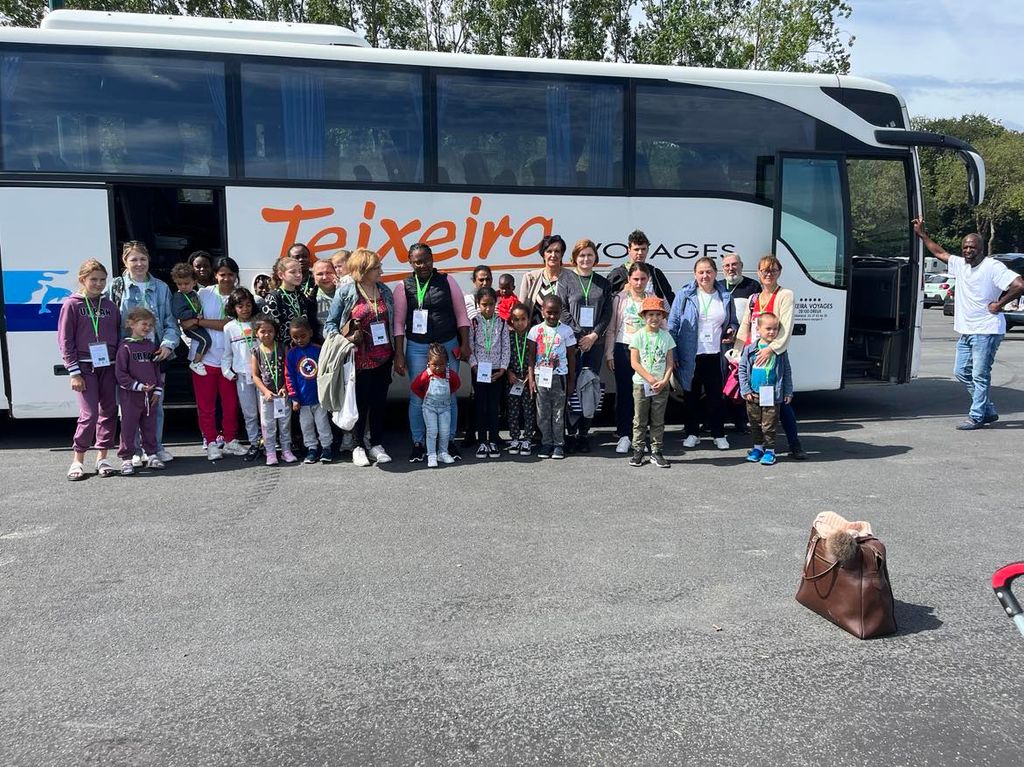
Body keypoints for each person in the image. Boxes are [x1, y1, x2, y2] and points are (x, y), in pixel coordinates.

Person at [914, 219, 1024, 429]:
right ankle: (987, 410)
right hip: (967, 330)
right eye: (965, 247)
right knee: (961, 371)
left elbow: (1019, 285)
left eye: (972, 247)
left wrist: (999, 304)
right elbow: (940, 253)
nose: (968, 250)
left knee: (980, 375)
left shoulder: (992, 266)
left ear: (981, 249)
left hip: (987, 330)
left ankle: (977, 416)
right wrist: (922, 234)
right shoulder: (960, 265)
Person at [392, 243, 471, 463]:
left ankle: (449, 442)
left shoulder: (447, 281)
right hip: (417, 348)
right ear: (410, 263)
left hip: (447, 345)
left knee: (449, 395)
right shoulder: (403, 287)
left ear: (432, 259)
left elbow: (462, 315)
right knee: (419, 396)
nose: (423, 265)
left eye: (426, 260)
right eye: (417, 262)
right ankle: (418, 443)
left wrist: (465, 343)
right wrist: (399, 354)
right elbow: (398, 324)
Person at [105, 241, 179, 465]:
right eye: (134, 259)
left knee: (155, 405)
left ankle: (154, 448)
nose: (139, 264)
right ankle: (134, 450)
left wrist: (167, 345)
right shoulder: (116, 287)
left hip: (154, 355)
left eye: (143, 259)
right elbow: (107, 320)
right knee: (129, 408)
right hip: (128, 356)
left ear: (149, 260)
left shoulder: (161, 287)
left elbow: (170, 322)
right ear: (124, 261)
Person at [323, 248, 395, 467]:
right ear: (362, 270)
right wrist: (345, 341)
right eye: (376, 268)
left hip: (383, 356)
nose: (381, 271)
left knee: (379, 402)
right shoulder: (346, 292)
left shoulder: (384, 290)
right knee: (359, 403)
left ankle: (376, 444)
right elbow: (330, 325)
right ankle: (358, 446)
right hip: (358, 359)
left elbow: (392, 322)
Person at [734, 254, 806, 459]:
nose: (768, 274)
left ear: (779, 272)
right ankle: (760, 446)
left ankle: (794, 444)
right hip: (754, 355)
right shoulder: (753, 298)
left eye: (773, 270)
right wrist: (737, 351)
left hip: (774, 354)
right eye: (764, 270)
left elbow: (786, 327)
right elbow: (745, 326)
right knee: (756, 406)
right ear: (758, 273)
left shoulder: (785, 295)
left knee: (780, 402)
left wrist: (771, 349)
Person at [58, 259, 120, 480]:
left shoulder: (110, 306)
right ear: (82, 280)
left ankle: (102, 457)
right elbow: (65, 340)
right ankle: (78, 459)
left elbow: (118, 336)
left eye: (102, 280)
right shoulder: (72, 305)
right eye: (93, 279)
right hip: (84, 367)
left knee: (109, 411)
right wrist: (73, 372)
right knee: (90, 414)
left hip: (109, 366)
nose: (98, 284)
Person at [669, 256, 738, 450]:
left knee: (715, 396)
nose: (705, 276)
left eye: (708, 271)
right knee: (690, 396)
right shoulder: (685, 295)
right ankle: (692, 433)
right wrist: (674, 354)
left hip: (716, 354)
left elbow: (733, 321)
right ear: (695, 274)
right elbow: (672, 326)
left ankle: (718, 434)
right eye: (701, 272)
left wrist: (731, 330)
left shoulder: (725, 295)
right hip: (690, 354)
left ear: (715, 273)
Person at [187, 256, 248, 460]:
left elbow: (226, 324)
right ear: (215, 275)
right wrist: (195, 322)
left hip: (229, 361)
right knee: (206, 406)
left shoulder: (239, 296)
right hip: (204, 360)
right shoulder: (204, 293)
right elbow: (186, 319)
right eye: (223, 274)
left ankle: (230, 440)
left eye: (231, 274)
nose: (227, 278)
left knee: (230, 405)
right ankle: (211, 442)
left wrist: (200, 322)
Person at [558, 238, 612, 452]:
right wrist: (581, 335)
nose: (586, 259)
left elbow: (607, 313)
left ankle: (584, 434)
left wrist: (594, 335)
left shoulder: (603, 283)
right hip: (572, 343)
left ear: (595, 258)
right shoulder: (566, 280)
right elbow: (562, 310)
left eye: (590, 255)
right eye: (582, 255)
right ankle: (570, 433)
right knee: (571, 386)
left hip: (595, 344)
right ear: (575, 258)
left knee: (590, 386)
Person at [605, 261, 652, 454]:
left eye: (643, 279)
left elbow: (662, 326)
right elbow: (612, 328)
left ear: (648, 280)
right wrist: (609, 353)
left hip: (646, 352)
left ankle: (639, 437)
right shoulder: (620, 298)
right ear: (629, 279)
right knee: (624, 393)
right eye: (635, 279)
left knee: (643, 395)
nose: (639, 283)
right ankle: (624, 435)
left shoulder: (652, 299)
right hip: (623, 348)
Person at [115, 307, 165, 475]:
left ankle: (151, 454)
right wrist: (136, 386)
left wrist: (157, 391)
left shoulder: (151, 346)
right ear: (131, 324)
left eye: (150, 325)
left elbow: (156, 370)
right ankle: (126, 459)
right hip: (130, 396)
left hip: (150, 397)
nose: (147, 328)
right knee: (128, 428)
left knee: (149, 426)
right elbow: (120, 374)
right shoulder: (125, 347)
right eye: (144, 324)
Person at [738, 312, 793, 466]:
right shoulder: (750, 349)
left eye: (775, 329)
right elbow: (742, 370)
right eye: (768, 328)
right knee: (755, 423)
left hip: (772, 394)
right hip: (753, 394)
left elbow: (786, 371)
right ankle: (757, 448)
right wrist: (745, 390)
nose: (772, 332)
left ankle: (770, 451)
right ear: (758, 329)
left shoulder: (780, 350)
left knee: (769, 425)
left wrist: (788, 391)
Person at [628, 296, 676, 468]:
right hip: (641, 384)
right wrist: (650, 378)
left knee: (658, 419)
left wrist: (664, 381)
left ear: (663, 316)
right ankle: (638, 450)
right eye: (650, 315)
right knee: (639, 419)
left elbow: (670, 363)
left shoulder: (666, 337)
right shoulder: (638, 336)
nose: (654, 318)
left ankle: (656, 451)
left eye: (658, 314)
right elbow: (634, 362)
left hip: (661, 386)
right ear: (643, 316)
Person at [528, 294, 577, 459]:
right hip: (541, 377)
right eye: (549, 312)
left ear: (561, 312)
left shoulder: (566, 331)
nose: (552, 316)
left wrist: (571, 381)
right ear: (542, 311)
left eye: (556, 312)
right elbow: (531, 357)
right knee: (542, 413)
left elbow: (571, 357)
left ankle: (558, 445)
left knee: (558, 413)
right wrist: (531, 379)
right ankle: (546, 443)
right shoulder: (535, 330)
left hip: (559, 377)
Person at [718, 254, 761, 433]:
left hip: (744, 341)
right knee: (720, 381)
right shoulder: (718, 285)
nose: (731, 268)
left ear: (741, 266)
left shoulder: (752, 286)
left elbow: (756, 314)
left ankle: (741, 421)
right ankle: (716, 420)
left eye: (734, 264)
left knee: (741, 379)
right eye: (727, 265)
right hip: (722, 341)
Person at [285, 317, 334, 464]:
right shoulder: (291, 354)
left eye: (303, 336)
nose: (299, 340)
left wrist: (327, 393)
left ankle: (326, 447)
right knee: (306, 426)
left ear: (310, 333)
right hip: (302, 400)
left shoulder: (319, 350)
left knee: (322, 424)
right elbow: (289, 376)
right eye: (295, 337)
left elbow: (326, 371)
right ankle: (311, 448)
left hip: (319, 398)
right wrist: (294, 397)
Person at [222, 287, 262, 462]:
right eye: (240, 306)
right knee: (249, 412)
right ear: (233, 308)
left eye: (248, 305)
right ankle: (254, 442)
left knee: (265, 411)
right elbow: (227, 354)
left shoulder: (259, 323)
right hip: (242, 376)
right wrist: (228, 373)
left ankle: (268, 442)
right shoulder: (229, 328)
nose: (245, 309)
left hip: (262, 375)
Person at [469, 286, 510, 458]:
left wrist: (503, 369)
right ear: (478, 304)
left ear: (496, 303)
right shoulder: (474, 323)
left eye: (491, 304)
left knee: (494, 407)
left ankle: (493, 440)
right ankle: (482, 442)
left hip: (496, 371)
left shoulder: (502, 322)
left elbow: (506, 347)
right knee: (481, 406)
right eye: (484, 304)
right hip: (479, 370)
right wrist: (474, 366)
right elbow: (470, 347)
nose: (488, 308)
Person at [251, 317, 297, 465]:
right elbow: (255, 376)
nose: (266, 334)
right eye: (262, 331)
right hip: (267, 396)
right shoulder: (256, 351)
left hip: (283, 394)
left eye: (270, 331)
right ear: (256, 333)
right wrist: (265, 391)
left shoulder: (283, 348)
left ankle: (286, 450)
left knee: (284, 424)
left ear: (275, 332)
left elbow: (289, 370)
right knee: (267, 425)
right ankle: (270, 452)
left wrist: (285, 387)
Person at [410, 343, 461, 468]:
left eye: (441, 364)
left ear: (447, 363)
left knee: (445, 431)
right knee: (432, 431)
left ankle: (443, 452)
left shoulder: (450, 375)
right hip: (429, 408)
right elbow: (415, 387)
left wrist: (448, 393)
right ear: (428, 362)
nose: (438, 368)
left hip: (445, 408)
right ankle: (431, 454)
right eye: (434, 364)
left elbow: (456, 384)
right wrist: (424, 397)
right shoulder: (426, 375)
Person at [261, 256, 321, 345]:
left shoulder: (300, 295)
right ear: (281, 275)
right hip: (284, 347)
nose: (298, 275)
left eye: (300, 271)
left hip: (303, 345)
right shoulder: (273, 297)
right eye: (293, 272)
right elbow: (271, 327)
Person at [606, 229, 675, 305]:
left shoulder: (655, 274)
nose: (640, 253)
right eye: (636, 249)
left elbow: (670, 300)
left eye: (643, 249)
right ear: (629, 250)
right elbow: (606, 302)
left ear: (647, 250)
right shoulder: (617, 275)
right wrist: (623, 292)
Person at [519, 235, 574, 324]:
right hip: (535, 331)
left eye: (557, 251)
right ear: (543, 254)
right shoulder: (530, 278)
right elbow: (521, 309)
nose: (553, 255)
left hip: (563, 331)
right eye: (549, 251)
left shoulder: (572, 277)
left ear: (562, 254)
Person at [170, 262, 212, 376]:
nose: (183, 286)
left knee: (207, 340)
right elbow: (178, 314)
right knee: (206, 341)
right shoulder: (178, 296)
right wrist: (194, 314)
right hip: (189, 327)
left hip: (198, 324)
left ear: (194, 282)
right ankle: (196, 362)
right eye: (179, 284)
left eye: (186, 283)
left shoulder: (193, 293)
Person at [505, 303, 536, 456]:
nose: (519, 323)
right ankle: (515, 438)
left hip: (528, 379)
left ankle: (528, 438)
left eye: (523, 319)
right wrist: (508, 372)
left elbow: (537, 357)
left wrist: (531, 375)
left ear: (528, 320)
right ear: (511, 321)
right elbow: (504, 356)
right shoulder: (508, 337)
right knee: (513, 411)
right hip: (513, 379)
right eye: (516, 319)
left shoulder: (533, 336)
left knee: (529, 410)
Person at [312, 259, 338, 327]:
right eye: (320, 274)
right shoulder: (309, 298)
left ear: (336, 273)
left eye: (328, 273)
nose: (324, 277)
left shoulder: (347, 294)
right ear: (313, 276)